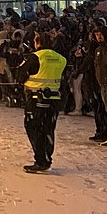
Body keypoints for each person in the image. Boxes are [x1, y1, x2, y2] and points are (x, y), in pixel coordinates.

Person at [20, 34, 67, 173]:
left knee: (34, 129)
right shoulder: (60, 58)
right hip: (54, 99)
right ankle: (47, 157)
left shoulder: (35, 57)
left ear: (37, 43)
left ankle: (41, 160)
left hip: (36, 98)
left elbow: (21, 74)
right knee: (48, 129)